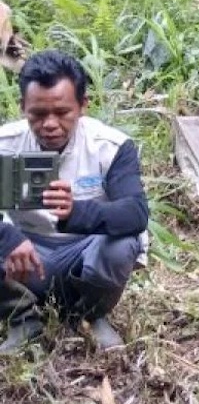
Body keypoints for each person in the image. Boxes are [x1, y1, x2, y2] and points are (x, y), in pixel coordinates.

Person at [0, 50, 150, 352]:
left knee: (122, 243)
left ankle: (90, 315)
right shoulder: (5, 146)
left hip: (83, 256)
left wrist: (76, 212)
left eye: (62, 112)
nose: (50, 124)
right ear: (23, 107)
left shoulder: (109, 146)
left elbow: (135, 213)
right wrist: (7, 237)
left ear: (83, 105)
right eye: (38, 114)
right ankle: (22, 318)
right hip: (24, 261)